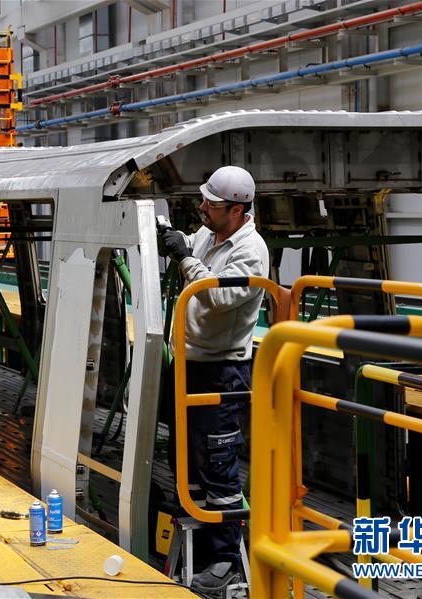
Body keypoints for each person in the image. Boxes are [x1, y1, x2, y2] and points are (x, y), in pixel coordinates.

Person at [160, 165, 270, 596]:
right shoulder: (210, 233)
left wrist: (185, 259)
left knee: (217, 463)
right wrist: (174, 239)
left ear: (237, 210)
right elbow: (194, 250)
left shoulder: (252, 251)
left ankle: (225, 560)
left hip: (221, 371)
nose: (202, 207)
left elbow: (220, 294)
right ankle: (198, 542)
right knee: (185, 458)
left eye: (212, 203)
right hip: (188, 362)